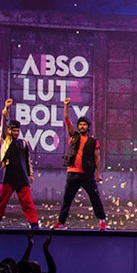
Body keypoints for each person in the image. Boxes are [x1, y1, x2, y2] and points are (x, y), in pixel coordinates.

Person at [53, 97, 107, 230]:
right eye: (80, 124)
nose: (82, 126)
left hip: (87, 174)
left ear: (88, 127)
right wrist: (66, 105)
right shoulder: (74, 137)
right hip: (73, 173)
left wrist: (98, 173)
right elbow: (67, 120)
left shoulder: (93, 141)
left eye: (84, 124)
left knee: (95, 198)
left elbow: (97, 158)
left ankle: (102, 222)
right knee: (67, 199)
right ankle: (61, 222)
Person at [0, 98, 39, 229]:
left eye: (17, 130)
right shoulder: (6, 140)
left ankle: (34, 223)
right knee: (1, 201)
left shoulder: (23, 143)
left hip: (22, 175)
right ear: (10, 131)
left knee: (27, 202)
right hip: (9, 175)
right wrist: (6, 110)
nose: (16, 133)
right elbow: (3, 126)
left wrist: (30, 174)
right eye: (13, 130)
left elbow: (27, 159)